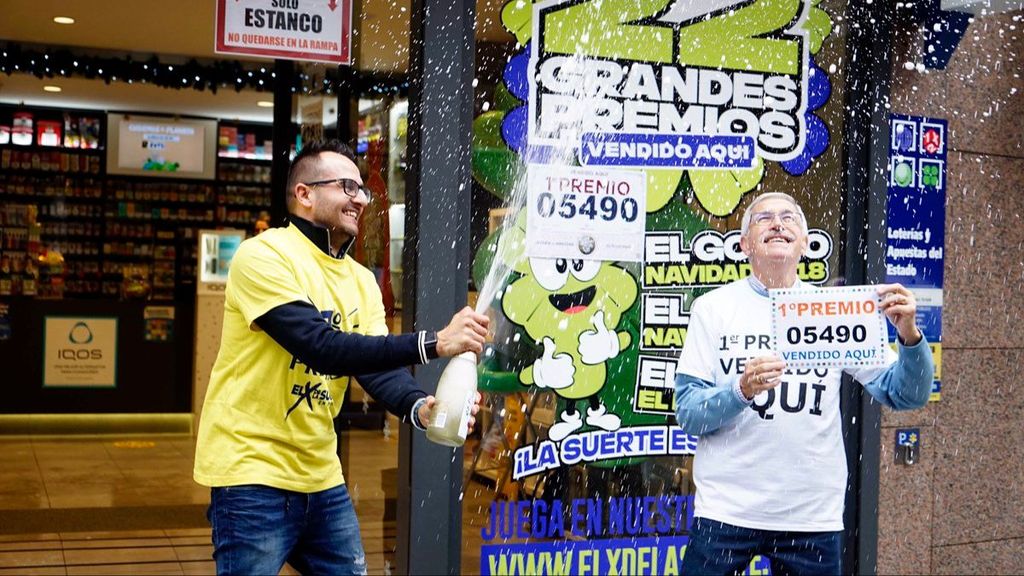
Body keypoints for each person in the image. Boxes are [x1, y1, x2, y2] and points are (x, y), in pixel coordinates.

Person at [193, 140, 490, 575]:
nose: (359, 198)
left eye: (362, 189)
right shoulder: (264, 256)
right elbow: (321, 346)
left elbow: (372, 366)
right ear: (304, 194)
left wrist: (418, 408)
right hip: (250, 475)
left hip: (322, 477)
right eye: (346, 186)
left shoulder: (360, 280)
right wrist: (433, 343)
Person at [674, 192, 933, 575]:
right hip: (726, 511)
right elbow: (690, 414)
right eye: (763, 218)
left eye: (789, 218)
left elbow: (906, 394)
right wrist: (740, 390)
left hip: (811, 518)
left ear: (806, 243)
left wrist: (909, 336)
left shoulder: (833, 310)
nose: (777, 223)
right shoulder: (712, 308)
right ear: (744, 244)